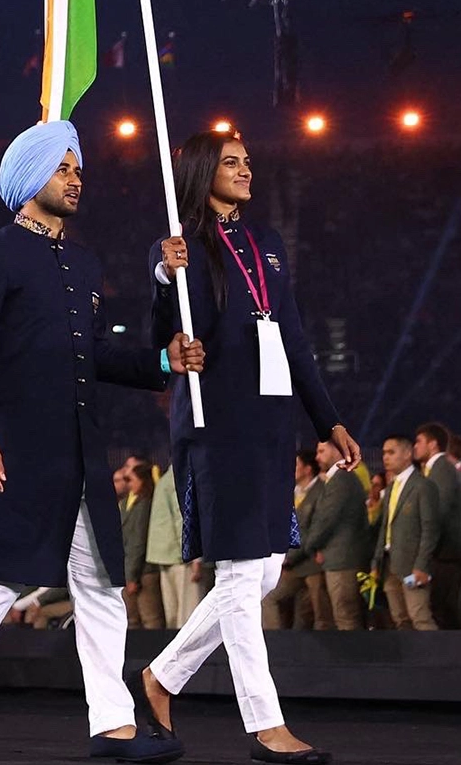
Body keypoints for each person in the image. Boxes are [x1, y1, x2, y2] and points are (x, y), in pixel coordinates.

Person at [0, 120, 203, 762]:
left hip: (82, 450)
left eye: (79, 169)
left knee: (102, 588)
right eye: (64, 168)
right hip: (15, 450)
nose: (77, 179)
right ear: (29, 178)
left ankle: (113, 724)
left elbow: (95, 355)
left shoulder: (83, 261)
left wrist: (163, 363)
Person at [134, 131, 361, 765]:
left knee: (261, 572)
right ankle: (266, 724)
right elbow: (164, 336)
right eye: (231, 162)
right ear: (204, 171)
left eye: (247, 161)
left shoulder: (269, 246)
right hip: (214, 422)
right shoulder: (177, 248)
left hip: (271, 424)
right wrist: (162, 275)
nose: (245, 170)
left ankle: (162, 677)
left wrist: (327, 421)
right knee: (238, 571)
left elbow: (294, 339)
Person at [371, 435, 440, 631]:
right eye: (384, 453)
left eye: (391, 452)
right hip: (389, 563)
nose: (385, 457)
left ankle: (436, 661)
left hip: (413, 565)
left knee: (420, 618)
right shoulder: (392, 486)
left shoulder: (423, 486)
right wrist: (376, 563)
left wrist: (422, 566)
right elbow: (385, 527)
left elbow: (430, 529)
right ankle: (412, 661)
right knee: (400, 620)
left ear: (408, 454)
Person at [302, 440, 368, 630]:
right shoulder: (339, 478)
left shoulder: (341, 479)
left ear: (337, 450)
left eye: (321, 451)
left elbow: (325, 519)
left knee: (346, 617)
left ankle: (353, 659)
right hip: (340, 558)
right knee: (343, 616)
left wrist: (309, 546)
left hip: (343, 561)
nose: (317, 457)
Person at [263, 451, 332, 631]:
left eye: (296, 465)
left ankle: (327, 658)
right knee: (269, 597)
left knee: (318, 615)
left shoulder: (323, 490)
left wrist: (290, 556)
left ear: (308, 469)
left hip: (313, 564)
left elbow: (317, 529)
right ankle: (275, 645)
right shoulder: (291, 493)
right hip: (292, 565)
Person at [147, 465, 209, 631]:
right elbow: (183, 516)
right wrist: (195, 557)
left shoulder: (166, 478)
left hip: (165, 555)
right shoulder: (182, 476)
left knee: (173, 616)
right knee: (189, 615)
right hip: (182, 558)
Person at [413, 423, 461, 628]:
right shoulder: (435, 470)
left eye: (418, 442)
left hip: (445, 554)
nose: (414, 447)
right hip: (441, 552)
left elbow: (436, 513)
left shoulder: (442, 469)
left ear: (433, 444)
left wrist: (424, 550)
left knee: (445, 611)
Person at [122, 463, 164, 629]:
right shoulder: (133, 503)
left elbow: (138, 542)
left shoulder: (145, 505)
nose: (128, 484)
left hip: (143, 572)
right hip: (131, 570)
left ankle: (156, 655)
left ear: (142, 480)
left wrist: (132, 576)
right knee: (132, 620)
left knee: (151, 620)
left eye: (130, 480)